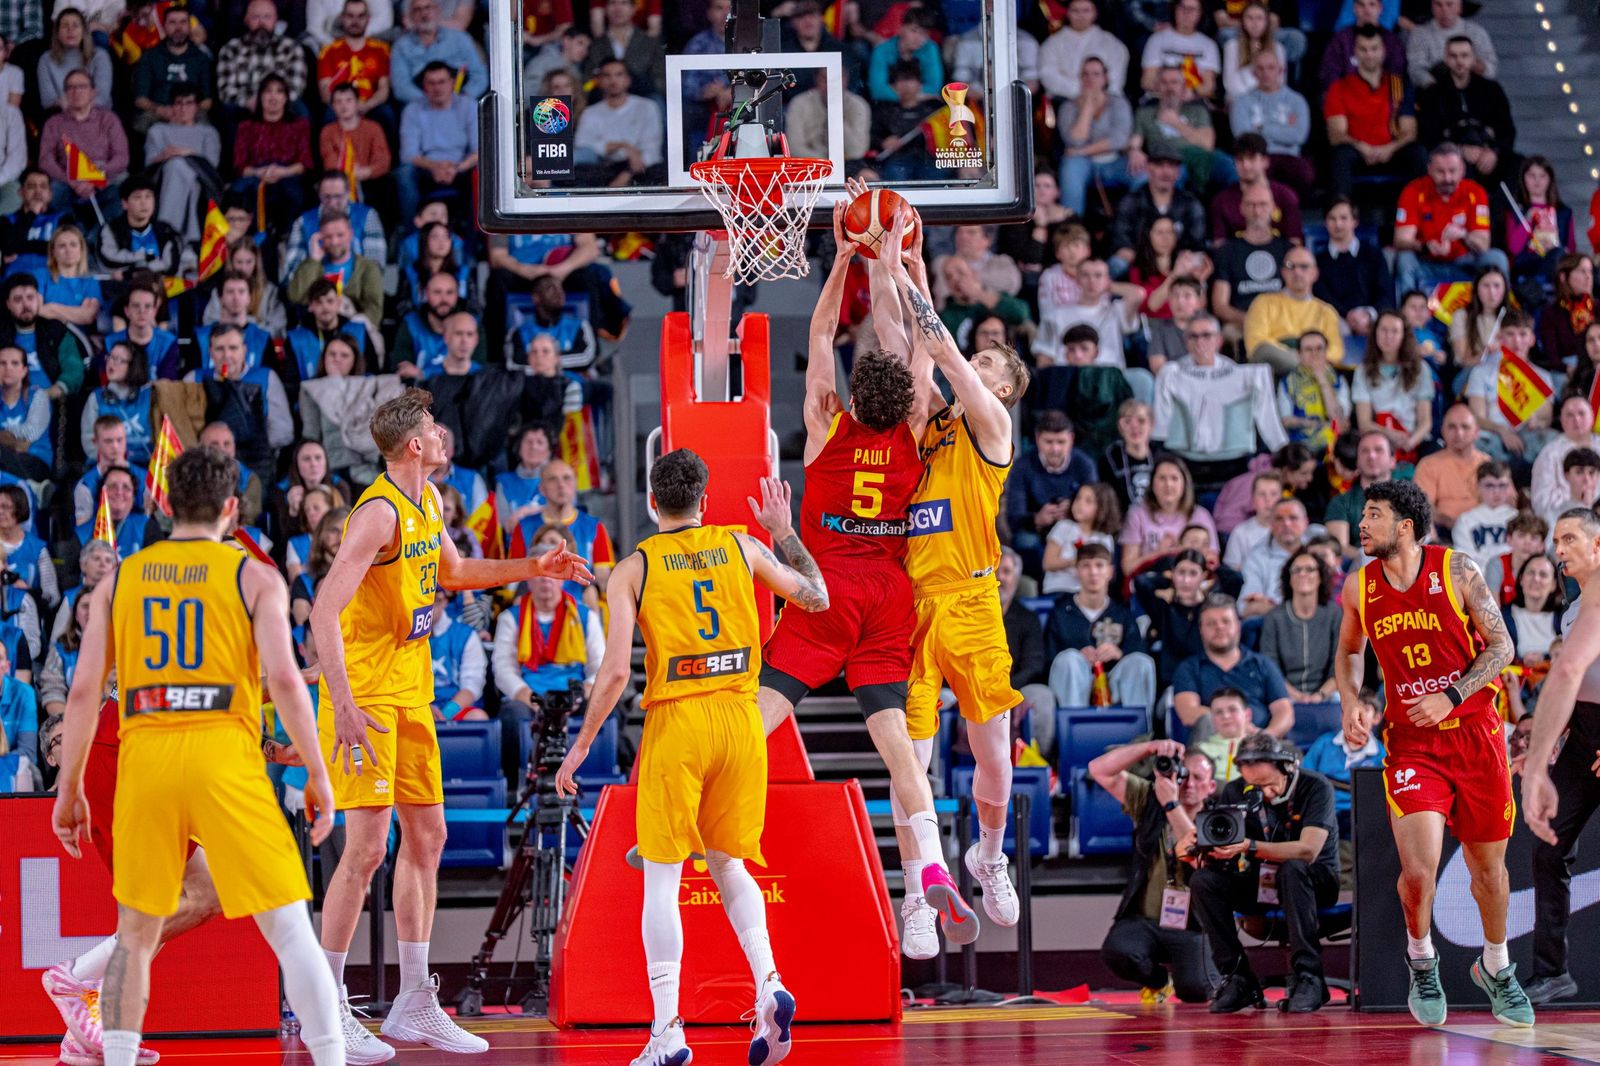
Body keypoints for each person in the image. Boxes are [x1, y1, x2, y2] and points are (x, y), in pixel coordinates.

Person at [309, 390, 592, 1062]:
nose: (442, 434)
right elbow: (323, 611)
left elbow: (457, 573)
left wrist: (533, 567)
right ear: (414, 446)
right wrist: (344, 703)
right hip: (367, 694)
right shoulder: (377, 514)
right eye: (434, 428)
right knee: (367, 849)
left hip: (409, 689)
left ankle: (413, 1000)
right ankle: (328, 1007)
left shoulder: (430, 502)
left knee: (429, 834)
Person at [49, 447, 347, 1066]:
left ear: (165, 506)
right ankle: (333, 1059)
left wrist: (68, 787)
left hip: (146, 758)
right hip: (223, 757)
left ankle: (119, 1058)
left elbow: (82, 693)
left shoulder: (120, 579)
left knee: (134, 936)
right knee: (291, 929)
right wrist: (317, 771)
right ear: (231, 508)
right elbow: (287, 682)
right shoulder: (254, 575)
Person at [556, 454, 824, 1066]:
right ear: (705, 500)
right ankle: (770, 984)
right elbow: (816, 597)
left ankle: (668, 1030)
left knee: (662, 876)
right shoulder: (742, 545)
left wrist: (581, 744)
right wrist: (783, 531)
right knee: (730, 865)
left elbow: (617, 669)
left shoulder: (633, 568)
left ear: (652, 503)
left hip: (678, 724)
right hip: (739, 719)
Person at [754, 221, 976, 960]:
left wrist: (843, 262)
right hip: (889, 595)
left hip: (824, 591)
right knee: (898, 750)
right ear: (909, 396)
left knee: (753, 717)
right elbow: (924, 335)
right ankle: (934, 864)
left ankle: (681, 820)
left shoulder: (826, 425)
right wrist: (910, 267)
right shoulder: (915, 426)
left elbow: (821, 338)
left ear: (851, 394)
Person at [1335, 478, 1533, 1027]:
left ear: (1403, 526)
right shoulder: (1360, 586)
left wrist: (1451, 696)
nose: (1361, 524)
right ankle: (1422, 959)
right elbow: (1350, 650)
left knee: (1487, 873)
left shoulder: (1458, 569)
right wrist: (1352, 699)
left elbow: (1503, 647)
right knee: (1419, 872)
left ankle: (1495, 965)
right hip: (1413, 743)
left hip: (1475, 734)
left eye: (1372, 515)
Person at [888, 212, 1032, 938]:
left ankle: (990, 855)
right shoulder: (937, 421)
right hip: (913, 601)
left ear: (1002, 390)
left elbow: (941, 349)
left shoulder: (994, 429)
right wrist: (895, 267)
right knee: (910, 759)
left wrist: (921, 280)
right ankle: (917, 891)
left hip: (973, 598)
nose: (976, 368)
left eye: (989, 368)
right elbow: (913, 357)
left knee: (994, 762)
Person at [1184, 733, 1341, 1013]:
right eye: (1253, 786)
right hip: (1261, 882)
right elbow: (1226, 842)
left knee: (1293, 868)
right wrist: (1204, 851)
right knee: (1204, 881)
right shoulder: (1236, 791)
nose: (1263, 793)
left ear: (1287, 767)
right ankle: (1239, 978)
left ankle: (1310, 978)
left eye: (1268, 785)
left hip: (1315, 881)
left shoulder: (1315, 786)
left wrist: (1249, 846)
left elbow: (1308, 851)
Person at [1521, 508, 1600, 1005]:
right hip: (1584, 736)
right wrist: (1556, 735)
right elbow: (1575, 682)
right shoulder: (1574, 606)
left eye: (1570, 538)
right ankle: (1552, 972)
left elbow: (1568, 671)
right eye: (1556, 540)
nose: (1559, 549)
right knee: (1549, 850)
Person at [1090, 740, 1219, 1003]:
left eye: (1198, 777)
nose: (1189, 784)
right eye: (1183, 775)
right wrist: (1150, 748)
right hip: (1146, 921)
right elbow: (1099, 769)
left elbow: (1201, 859)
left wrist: (1172, 805)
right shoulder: (1152, 798)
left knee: (1196, 991)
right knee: (1119, 951)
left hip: (1194, 926)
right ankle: (1159, 982)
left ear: (1212, 786)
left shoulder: (1220, 819)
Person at [1046, 543, 1157, 714]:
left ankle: (1139, 734)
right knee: (1068, 660)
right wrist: (1077, 657)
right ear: (1077, 571)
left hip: (1114, 683)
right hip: (1074, 684)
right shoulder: (1060, 613)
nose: (1093, 572)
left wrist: (1119, 654)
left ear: (1110, 572)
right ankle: (1074, 732)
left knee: (1141, 663)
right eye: (1086, 566)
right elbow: (1048, 660)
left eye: (1099, 565)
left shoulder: (1123, 614)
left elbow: (1139, 652)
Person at [1394, 144, 1509, 299]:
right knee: (1404, 258)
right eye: (1440, 172)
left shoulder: (1475, 192)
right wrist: (1425, 246)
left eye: (1452, 171)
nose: (1447, 178)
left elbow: (1483, 245)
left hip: (1465, 262)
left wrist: (1463, 235)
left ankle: (1503, 317)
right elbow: (1401, 239)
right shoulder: (1413, 191)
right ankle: (1407, 319)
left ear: (1462, 169)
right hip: (1426, 262)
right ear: (1429, 169)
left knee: (1497, 258)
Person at [1172, 594, 1295, 737]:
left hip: (1260, 748)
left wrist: (1265, 737)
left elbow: (1284, 712)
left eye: (1226, 621)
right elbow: (1188, 713)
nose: (1219, 627)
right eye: (1211, 623)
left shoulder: (1263, 664)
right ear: (1201, 629)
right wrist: (1237, 723)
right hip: (1210, 749)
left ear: (1238, 626)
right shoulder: (1188, 668)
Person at [1324, 27, 1423, 200]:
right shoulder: (1339, 88)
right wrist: (1362, 147)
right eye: (1363, 49)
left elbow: (1410, 131)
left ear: (1383, 51)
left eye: (1374, 48)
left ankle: (1421, 213)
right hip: (1358, 154)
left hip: (1392, 152)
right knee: (1340, 155)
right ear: (1355, 52)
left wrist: (1389, 148)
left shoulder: (1398, 85)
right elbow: (1336, 134)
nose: (1369, 54)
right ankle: (1341, 212)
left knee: (1418, 152)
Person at [1417, 37, 1513, 189]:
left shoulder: (1492, 90)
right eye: (1454, 56)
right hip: (1449, 155)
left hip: (1488, 151)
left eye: (1464, 55)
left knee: (1519, 165)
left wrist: (1494, 152)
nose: (1459, 61)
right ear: (1446, 59)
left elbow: (1507, 130)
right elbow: (1428, 135)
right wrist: (1459, 150)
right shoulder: (1433, 94)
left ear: (1474, 58)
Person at [1006, 410, 1097, 568]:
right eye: (1049, 442)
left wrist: (1074, 510)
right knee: (1025, 542)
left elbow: (1097, 505)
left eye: (1061, 442)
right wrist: (1037, 518)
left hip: (1074, 526)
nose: (1055, 449)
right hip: (1035, 530)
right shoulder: (1022, 466)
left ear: (1071, 439)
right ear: (1037, 439)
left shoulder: (1084, 464)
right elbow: (1014, 517)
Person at [396, 60, 478, 221]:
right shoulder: (412, 110)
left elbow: (479, 151)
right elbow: (408, 155)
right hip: (426, 168)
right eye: (431, 83)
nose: (437, 88)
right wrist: (435, 167)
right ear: (424, 86)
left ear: (453, 83)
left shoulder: (468, 105)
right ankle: (412, 234)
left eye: (442, 82)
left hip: (461, 167)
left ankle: (475, 240)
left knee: (483, 173)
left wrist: (456, 168)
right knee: (404, 173)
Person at [1242, 248, 1343, 374]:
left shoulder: (1326, 311)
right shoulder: (1263, 302)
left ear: (1315, 273)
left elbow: (1336, 352)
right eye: (1291, 266)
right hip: (1275, 368)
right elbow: (1255, 344)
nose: (1297, 272)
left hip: (1315, 375)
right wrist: (1297, 356)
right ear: (1283, 272)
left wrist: (1307, 357)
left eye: (1304, 267)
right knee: (1264, 350)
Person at [1261, 549, 1342, 704]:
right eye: (1296, 570)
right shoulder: (1274, 617)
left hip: (1329, 694)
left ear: (1320, 577)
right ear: (1289, 578)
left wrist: (1320, 695)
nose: (1302, 574)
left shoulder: (1334, 614)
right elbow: (1270, 668)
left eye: (1310, 569)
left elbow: (1341, 667)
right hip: (1284, 695)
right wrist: (1297, 697)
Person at [1229, 49, 1313, 198]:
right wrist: (1282, 131)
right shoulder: (1241, 101)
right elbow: (1243, 136)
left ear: (1281, 70)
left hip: (1289, 156)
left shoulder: (1297, 101)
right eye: (1260, 68)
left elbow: (1299, 136)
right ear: (1254, 73)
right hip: (1256, 158)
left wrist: (1261, 128)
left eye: (1270, 67)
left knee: (1304, 173)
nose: (1265, 73)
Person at [1414, 404, 1488, 531]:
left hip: (1485, 531)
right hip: (1443, 531)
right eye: (1452, 427)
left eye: (1465, 427)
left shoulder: (1488, 464)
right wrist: (1454, 524)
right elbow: (1423, 507)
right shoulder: (1428, 464)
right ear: (1442, 431)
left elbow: (1506, 503)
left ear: (1476, 432)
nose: (1459, 433)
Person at [1275, 332, 1349, 453]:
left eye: (1319, 348)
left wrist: (1321, 378)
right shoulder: (1287, 382)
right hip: (1301, 445)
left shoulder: (1339, 380)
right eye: (1308, 349)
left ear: (1326, 351)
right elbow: (1286, 420)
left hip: (1336, 444)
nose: (1314, 354)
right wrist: (1316, 424)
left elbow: (1338, 418)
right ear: (1299, 354)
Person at [1238, 497, 1310, 618]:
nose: (1286, 524)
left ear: (1306, 523)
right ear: (1271, 525)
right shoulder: (1256, 558)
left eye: (1293, 518)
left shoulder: (1317, 551)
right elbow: (1245, 607)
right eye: (1279, 519)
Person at [1532, 395, 1600, 521]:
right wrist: (1576, 501)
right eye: (1570, 415)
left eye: (1581, 413)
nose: (1576, 419)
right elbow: (1541, 502)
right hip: (1563, 520)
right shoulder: (1549, 454)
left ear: (1592, 416)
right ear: (1562, 420)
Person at [1407, 0, 1496, 89]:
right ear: (1432, 7)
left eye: (1449, 4)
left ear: (1459, 7)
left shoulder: (1477, 33)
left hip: (1473, 90)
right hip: (1433, 92)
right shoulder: (1419, 34)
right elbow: (1415, 69)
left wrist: (1475, 66)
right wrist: (1434, 88)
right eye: (1438, 5)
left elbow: (1491, 69)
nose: (1444, 10)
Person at [1453, 461, 1517, 573]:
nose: (1496, 492)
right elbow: (1464, 559)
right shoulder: (1465, 520)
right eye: (1489, 486)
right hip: (1476, 578)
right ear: (1478, 486)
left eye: (1502, 485)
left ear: (1509, 486)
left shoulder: (1518, 518)